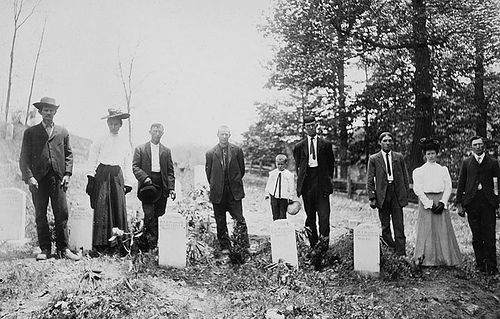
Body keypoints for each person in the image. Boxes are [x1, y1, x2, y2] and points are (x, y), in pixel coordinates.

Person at [19, 96, 80, 261]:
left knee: (61, 213)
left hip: (58, 178)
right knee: (40, 215)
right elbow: (24, 158)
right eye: (45, 110)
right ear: (40, 112)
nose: (48, 113)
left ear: (55, 112)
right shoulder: (30, 132)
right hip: (38, 180)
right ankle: (45, 249)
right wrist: (29, 177)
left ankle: (63, 249)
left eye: (51, 110)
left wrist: (67, 174)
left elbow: (68, 155)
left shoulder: (62, 132)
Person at [87, 108, 132, 252]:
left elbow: (127, 162)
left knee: (117, 206)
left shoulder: (125, 141)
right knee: (102, 206)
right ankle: (101, 244)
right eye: (111, 124)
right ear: (108, 123)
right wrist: (90, 176)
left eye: (116, 124)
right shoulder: (100, 139)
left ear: (121, 125)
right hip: (103, 174)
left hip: (116, 175)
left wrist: (128, 182)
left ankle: (119, 244)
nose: (114, 127)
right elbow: (92, 157)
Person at [412, 138, 461, 266]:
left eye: (433, 153)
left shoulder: (442, 169)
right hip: (426, 201)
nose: (431, 156)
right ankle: (426, 260)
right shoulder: (419, 171)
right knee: (426, 229)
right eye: (428, 154)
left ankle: (444, 258)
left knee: (442, 229)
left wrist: (443, 202)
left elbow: (448, 187)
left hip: (440, 200)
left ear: (437, 154)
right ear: (425, 155)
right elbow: (418, 190)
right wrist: (428, 204)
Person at [456, 136, 499, 275]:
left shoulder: (493, 163)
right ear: (471, 147)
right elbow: (461, 183)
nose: (478, 147)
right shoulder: (467, 163)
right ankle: (480, 265)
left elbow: (497, 184)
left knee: (489, 235)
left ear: (483, 146)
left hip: (488, 202)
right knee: (477, 235)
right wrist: (459, 203)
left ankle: (492, 267)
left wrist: (498, 203)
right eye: (475, 145)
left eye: (480, 144)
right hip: (472, 202)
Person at [293, 116, 335, 251]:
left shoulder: (325, 144)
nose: (310, 128)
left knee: (324, 217)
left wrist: (327, 181)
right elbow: (298, 166)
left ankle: (324, 248)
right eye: (308, 126)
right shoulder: (299, 147)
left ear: (316, 125)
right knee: (310, 217)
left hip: (322, 183)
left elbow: (331, 165)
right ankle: (314, 247)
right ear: (304, 128)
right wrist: (301, 186)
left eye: (312, 125)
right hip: (307, 184)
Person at [205, 125, 249, 253]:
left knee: (239, 218)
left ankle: (243, 245)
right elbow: (209, 173)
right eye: (222, 134)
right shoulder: (210, 153)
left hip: (233, 191)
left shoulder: (237, 150)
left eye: (226, 134)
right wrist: (216, 185)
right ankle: (225, 246)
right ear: (217, 135)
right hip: (218, 192)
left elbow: (241, 170)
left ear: (229, 136)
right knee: (220, 219)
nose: (224, 137)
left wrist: (233, 182)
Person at [132, 123, 176, 249]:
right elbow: (135, 167)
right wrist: (144, 177)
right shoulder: (140, 149)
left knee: (160, 215)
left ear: (163, 133)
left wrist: (171, 188)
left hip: (162, 185)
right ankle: (150, 245)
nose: (157, 134)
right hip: (147, 186)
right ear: (150, 132)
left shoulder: (166, 151)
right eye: (155, 131)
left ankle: (158, 245)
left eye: (159, 132)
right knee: (149, 216)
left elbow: (170, 171)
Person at [366, 132, 409, 256]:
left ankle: (401, 253)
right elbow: (369, 179)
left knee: (399, 224)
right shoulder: (374, 159)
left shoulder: (398, 157)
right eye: (384, 140)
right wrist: (372, 197)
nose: (387, 143)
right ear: (380, 142)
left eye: (390, 140)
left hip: (396, 193)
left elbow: (405, 177)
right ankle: (390, 250)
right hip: (382, 195)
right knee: (385, 225)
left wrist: (405, 193)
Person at [265, 154, 296, 220]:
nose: (280, 166)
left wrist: (291, 197)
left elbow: (291, 186)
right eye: (278, 164)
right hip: (274, 196)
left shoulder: (288, 174)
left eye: (282, 164)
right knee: (275, 213)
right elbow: (269, 184)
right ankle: (276, 227)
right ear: (276, 163)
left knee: (282, 215)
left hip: (283, 197)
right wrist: (267, 193)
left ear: (285, 164)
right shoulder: (273, 173)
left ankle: (282, 228)